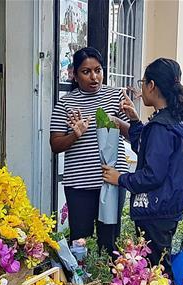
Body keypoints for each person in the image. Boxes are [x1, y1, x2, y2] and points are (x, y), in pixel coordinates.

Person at [102, 58, 183, 275]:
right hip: (169, 207)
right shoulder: (178, 121)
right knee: (159, 266)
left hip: (156, 209)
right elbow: (148, 150)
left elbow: (153, 174)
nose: (142, 88)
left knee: (157, 272)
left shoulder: (160, 127)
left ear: (152, 85)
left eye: (143, 82)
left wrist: (121, 179)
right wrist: (135, 122)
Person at [50, 47, 131, 255]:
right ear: (75, 75)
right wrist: (75, 135)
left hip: (112, 181)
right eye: (86, 72)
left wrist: (117, 122)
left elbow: (135, 135)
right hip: (80, 184)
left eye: (98, 70)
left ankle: (111, 283)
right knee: (80, 240)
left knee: (110, 240)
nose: (94, 77)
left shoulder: (116, 96)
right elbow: (55, 145)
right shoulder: (66, 103)